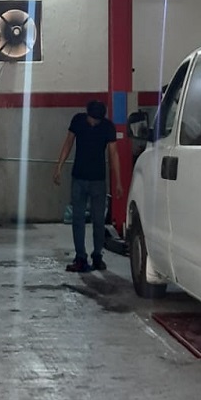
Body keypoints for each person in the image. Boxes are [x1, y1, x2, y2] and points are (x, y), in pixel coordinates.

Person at [53, 100, 123, 272]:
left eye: (97, 120)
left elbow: (113, 154)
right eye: (92, 119)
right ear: (87, 114)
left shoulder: (108, 127)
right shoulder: (78, 121)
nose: (93, 122)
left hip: (98, 181)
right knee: (77, 220)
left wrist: (118, 182)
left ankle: (97, 256)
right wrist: (59, 167)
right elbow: (68, 143)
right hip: (79, 178)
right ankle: (80, 257)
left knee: (98, 221)